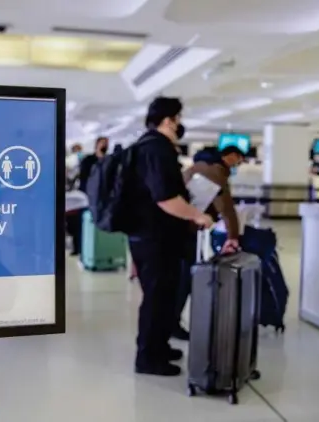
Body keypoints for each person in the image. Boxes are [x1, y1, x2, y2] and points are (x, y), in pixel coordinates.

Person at [128, 96, 213, 376]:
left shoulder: (149, 146)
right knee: (156, 297)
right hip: (156, 239)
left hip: (152, 236)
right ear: (168, 120)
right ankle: (148, 357)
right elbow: (165, 198)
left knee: (163, 296)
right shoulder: (157, 149)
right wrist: (197, 215)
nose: (180, 124)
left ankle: (159, 346)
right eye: (178, 118)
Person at [170, 145, 245, 340]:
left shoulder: (196, 168)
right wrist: (233, 236)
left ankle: (169, 322)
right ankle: (172, 323)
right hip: (184, 231)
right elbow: (226, 208)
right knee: (184, 278)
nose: (238, 164)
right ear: (227, 156)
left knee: (174, 278)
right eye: (237, 159)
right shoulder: (216, 173)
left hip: (173, 228)